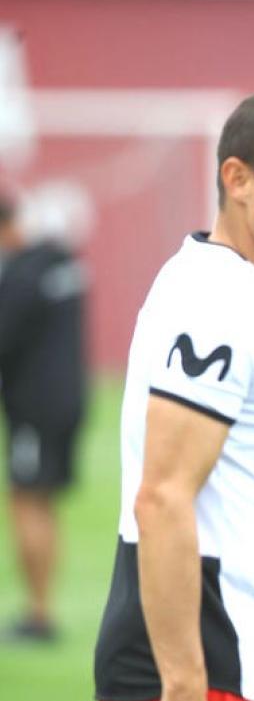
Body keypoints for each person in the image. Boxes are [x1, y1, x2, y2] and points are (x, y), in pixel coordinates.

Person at [93, 89, 254, 701]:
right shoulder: (214, 302)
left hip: (243, 653)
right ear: (238, 179)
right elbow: (161, 498)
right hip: (200, 664)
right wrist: (183, 682)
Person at [0, 186, 87, 643]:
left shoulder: (20, 275)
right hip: (71, 397)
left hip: (33, 407)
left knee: (27, 500)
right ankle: (42, 605)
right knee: (43, 500)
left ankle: (38, 613)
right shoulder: (61, 260)